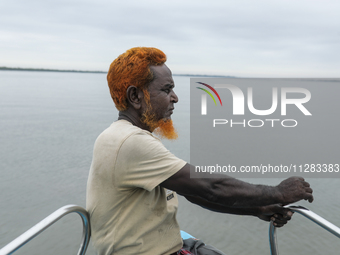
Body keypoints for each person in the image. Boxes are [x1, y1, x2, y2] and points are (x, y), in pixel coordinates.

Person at [86, 47, 313, 255]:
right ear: (135, 97)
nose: (175, 98)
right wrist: (278, 193)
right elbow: (209, 187)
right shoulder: (129, 142)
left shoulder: (129, 137)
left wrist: (257, 208)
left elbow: (193, 192)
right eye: (167, 90)